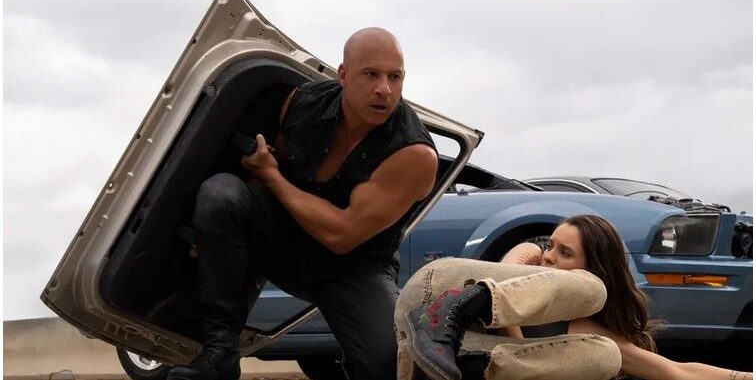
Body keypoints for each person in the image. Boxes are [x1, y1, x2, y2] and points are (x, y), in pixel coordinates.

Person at [167, 27, 438, 380]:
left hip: (354, 267)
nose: (384, 89)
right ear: (343, 75)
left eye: (395, 76)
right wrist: (216, 234)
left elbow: (342, 235)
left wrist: (272, 177)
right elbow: (263, 169)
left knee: (390, 364)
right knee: (221, 194)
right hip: (283, 242)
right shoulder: (302, 102)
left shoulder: (414, 154)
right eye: (371, 74)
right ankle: (219, 356)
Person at [395, 214, 754, 380]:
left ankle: (456, 367)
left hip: (428, 345)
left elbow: (675, 371)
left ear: (595, 264)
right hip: (433, 290)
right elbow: (510, 266)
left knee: (604, 355)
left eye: (565, 253)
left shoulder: (580, 326)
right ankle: (451, 311)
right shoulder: (531, 257)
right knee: (590, 290)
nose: (550, 256)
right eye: (551, 245)